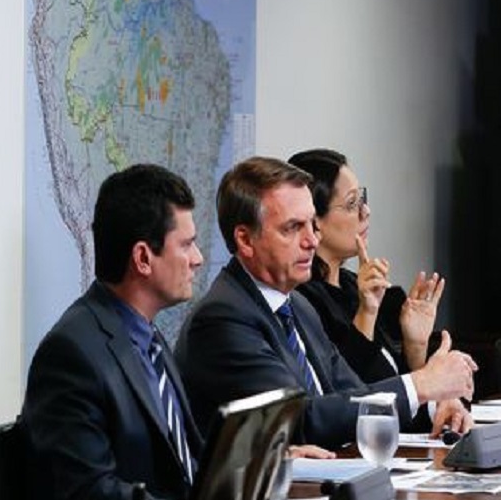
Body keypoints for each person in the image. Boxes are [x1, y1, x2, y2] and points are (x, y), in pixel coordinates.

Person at [175, 157, 474, 449]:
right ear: (245, 239)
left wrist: (434, 406)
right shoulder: (222, 318)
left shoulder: (298, 306)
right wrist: (421, 385)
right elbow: (299, 419)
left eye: (312, 225)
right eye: (293, 227)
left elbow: (355, 396)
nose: (312, 241)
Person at [19, 164, 204, 500]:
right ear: (143, 258)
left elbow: (185, 455)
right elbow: (89, 493)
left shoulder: (148, 337)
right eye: (186, 244)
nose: (197, 258)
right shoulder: (72, 354)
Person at [289, 148, 443, 383]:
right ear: (314, 220)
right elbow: (344, 390)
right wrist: (367, 313)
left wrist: (416, 345)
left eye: (362, 199)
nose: (366, 212)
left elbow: (403, 390)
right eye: (352, 204)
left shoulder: (352, 284)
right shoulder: (302, 300)